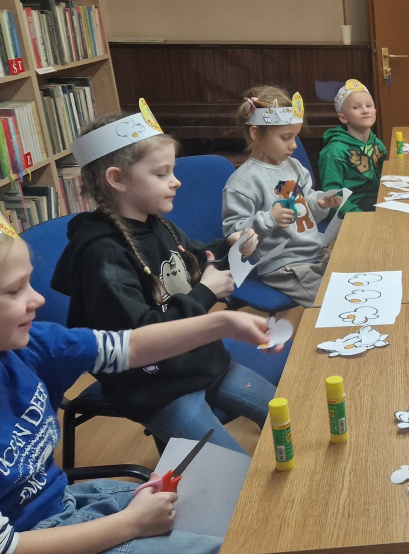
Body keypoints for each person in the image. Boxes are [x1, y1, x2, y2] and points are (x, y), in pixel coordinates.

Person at [0, 196, 280, 554]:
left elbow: (127, 346)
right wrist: (130, 523)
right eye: (13, 291)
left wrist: (220, 323)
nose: (38, 299)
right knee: (231, 543)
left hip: (63, 508)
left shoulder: (18, 350)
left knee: (229, 512)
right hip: (30, 540)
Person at [53, 104, 275, 454]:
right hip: (154, 386)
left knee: (287, 415)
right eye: (161, 174)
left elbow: (195, 258)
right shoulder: (102, 255)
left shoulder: (155, 223)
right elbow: (141, 337)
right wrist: (205, 293)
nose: (176, 181)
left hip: (200, 361)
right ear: (117, 179)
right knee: (232, 469)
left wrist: (229, 246)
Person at [224, 86, 341, 307]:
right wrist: (269, 219)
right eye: (286, 137)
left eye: (295, 137)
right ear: (255, 133)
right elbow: (233, 233)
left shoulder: (294, 166)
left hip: (314, 252)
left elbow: (307, 212)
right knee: (335, 304)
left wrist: (319, 202)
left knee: (356, 281)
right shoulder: (242, 183)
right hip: (284, 265)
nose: (294, 145)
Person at [317, 79, 386, 215]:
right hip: (350, 208)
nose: (365, 110)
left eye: (368, 105)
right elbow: (332, 196)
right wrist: (358, 216)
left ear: (375, 111)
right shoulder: (334, 152)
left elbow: (383, 180)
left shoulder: (377, 144)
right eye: (356, 107)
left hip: (375, 202)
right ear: (343, 118)